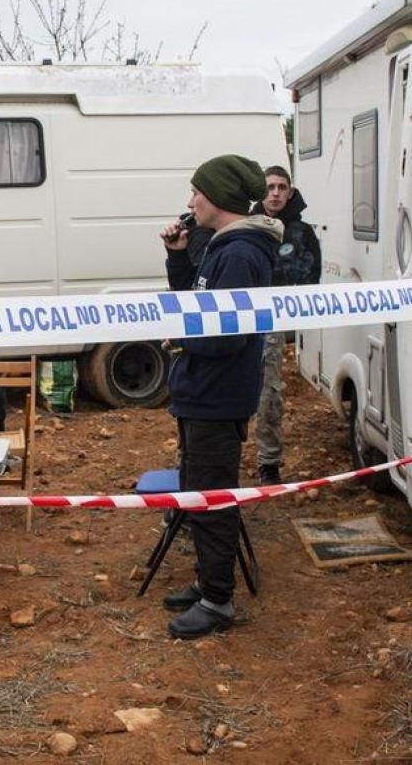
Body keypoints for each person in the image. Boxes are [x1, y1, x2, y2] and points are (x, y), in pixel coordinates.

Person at [159, 154, 282, 639]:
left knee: (212, 499)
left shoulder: (240, 254)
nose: (190, 201)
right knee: (198, 492)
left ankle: (217, 600)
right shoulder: (221, 247)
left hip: (217, 395)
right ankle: (208, 580)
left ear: (219, 199)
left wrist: (184, 339)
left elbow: (227, 335)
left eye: (196, 193)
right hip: (201, 394)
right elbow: (198, 304)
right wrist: (178, 256)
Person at [248, 165, 322, 485]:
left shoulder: (301, 233)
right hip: (240, 316)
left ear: (290, 192)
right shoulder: (246, 226)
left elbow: (310, 277)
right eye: (270, 187)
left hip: (273, 320)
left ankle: (268, 461)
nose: (275, 193)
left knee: (269, 392)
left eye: (281, 187)